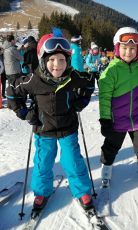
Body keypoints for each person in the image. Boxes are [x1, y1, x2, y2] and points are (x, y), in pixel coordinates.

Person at [6, 28, 96, 213]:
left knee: (72, 160)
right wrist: (24, 113)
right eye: (52, 60)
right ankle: (42, 191)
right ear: (43, 60)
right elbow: (12, 92)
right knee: (43, 162)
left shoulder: (72, 76)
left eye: (62, 60)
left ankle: (82, 191)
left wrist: (81, 102)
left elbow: (88, 83)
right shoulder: (34, 80)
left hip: (68, 128)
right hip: (44, 129)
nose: (57, 65)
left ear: (68, 61)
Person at [98, 27, 138, 192]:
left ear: (137, 50)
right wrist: (105, 119)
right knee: (111, 145)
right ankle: (106, 165)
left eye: (132, 48)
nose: (128, 52)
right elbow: (105, 98)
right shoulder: (111, 71)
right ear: (117, 48)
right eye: (124, 48)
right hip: (117, 119)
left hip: (136, 117)